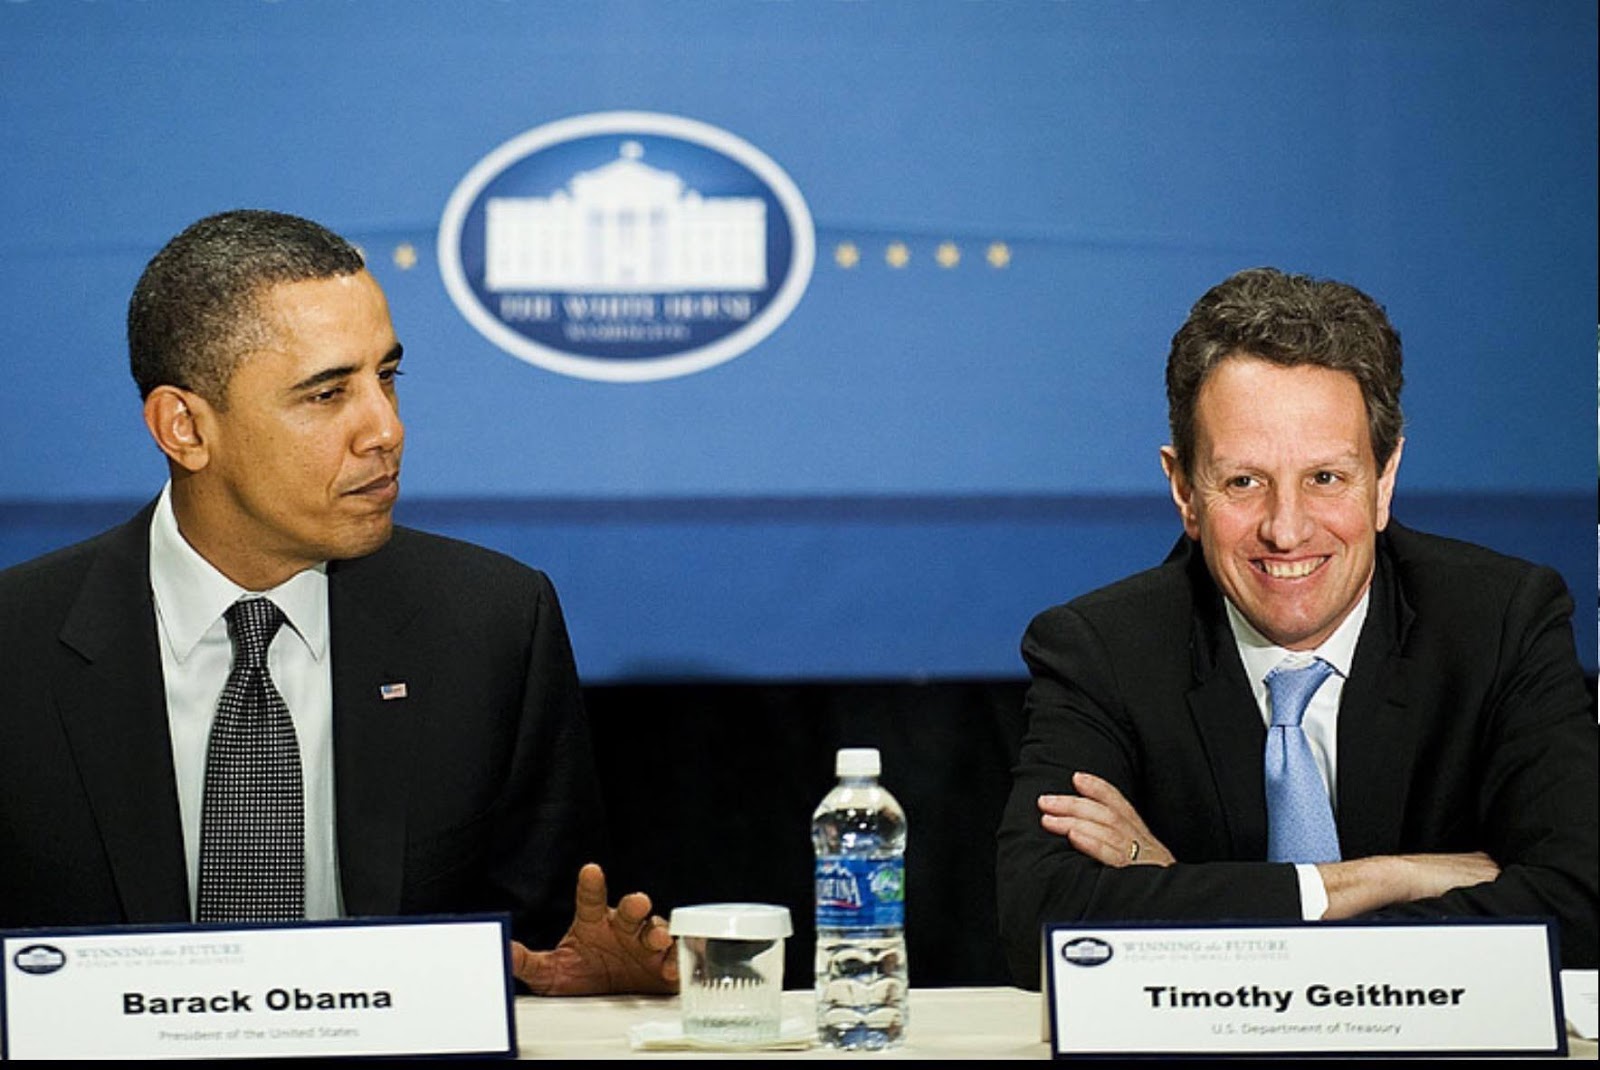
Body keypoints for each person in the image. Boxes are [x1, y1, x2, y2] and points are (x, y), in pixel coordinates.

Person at [0, 209, 675, 996]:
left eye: (387, 378)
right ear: (184, 428)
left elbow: (536, 952)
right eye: (327, 394)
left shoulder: (490, 625)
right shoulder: (17, 646)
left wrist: (584, 992)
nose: (385, 430)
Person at [995, 267, 1598, 987]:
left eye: (1326, 478)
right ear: (1184, 490)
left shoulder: (1500, 622)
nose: (1286, 530)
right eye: (1244, 481)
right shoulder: (1101, 650)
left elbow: (1580, 905)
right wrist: (1372, 881)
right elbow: (1041, 923)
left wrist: (1182, 894)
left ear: (1385, 479)